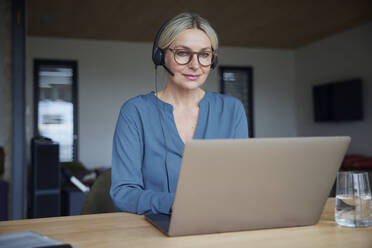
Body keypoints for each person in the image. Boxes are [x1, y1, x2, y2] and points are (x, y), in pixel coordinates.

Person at [110, 13, 248, 215]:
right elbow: (123, 194)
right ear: (161, 56)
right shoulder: (135, 111)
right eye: (183, 53)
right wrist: (178, 203)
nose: (195, 64)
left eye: (204, 54)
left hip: (220, 224)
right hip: (153, 232)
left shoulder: (232, 110)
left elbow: (242, 184)